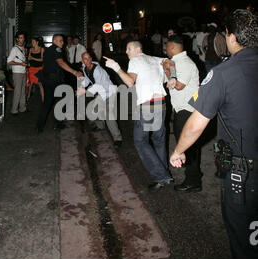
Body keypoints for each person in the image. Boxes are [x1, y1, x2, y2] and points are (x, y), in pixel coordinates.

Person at [170, 9, 258, 259]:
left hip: (245, 174)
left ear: (230, 36)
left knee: (245, 242)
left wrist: (178, 151)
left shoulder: (223, 73)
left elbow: (196, 123)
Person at [104, 41, 176, 190]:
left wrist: (116, 68)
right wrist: (172, 77)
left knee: (140, 141)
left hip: (148, 106)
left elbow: (130, 82)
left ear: (137, 49)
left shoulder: (136, 60)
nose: (126, 52)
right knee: (159, 141)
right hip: (161, 104)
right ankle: (164, 175)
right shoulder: (156, 59)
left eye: (128, 49)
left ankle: (162, 175)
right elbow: (171, 63)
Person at [164, 35, 202, 192]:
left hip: (187, 110)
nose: (165, 49)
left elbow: (178, 86)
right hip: (183, 109)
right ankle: (193, 177)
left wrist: (166, 69)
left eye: (167, 46)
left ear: (172, 47)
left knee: (188, 146)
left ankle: (193, 181)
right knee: (188, 146)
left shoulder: (184, 63)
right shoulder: (177, 62)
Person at [36, 34, 83, 133]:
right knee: (68, 96)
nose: (63, 42)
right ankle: (57, 122)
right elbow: (60, 62)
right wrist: (74, 72)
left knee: (47, 103)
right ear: (55, 41)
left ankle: (39, 127)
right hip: (55, 80)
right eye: (60, 41)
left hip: (47, 79)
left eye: (63, 41)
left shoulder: (48, 49)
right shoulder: (57, 49)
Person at [77, 52, 122, 147]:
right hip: (101, 93)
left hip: (109, 92)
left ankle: (118, 139)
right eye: (85, 59)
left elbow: (98, 86)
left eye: (89, 58)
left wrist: (84, 92)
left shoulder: (97, 70)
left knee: (109, 116)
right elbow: (87, 80)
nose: (88, 60)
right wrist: (81, 87)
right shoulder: (85, 68)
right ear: (82, 61)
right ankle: (100, 126)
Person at [7, 32, 28, 115]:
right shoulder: (14, 49)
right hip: (17, 73)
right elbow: (9, 61)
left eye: (23, 37)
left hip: (23, 71)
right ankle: (14, 110)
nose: (22, 39)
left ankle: (22, 108)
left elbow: (21, 60)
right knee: (17, 92)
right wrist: (20, 64)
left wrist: (25, 64)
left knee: (23, 91)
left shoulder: (22, 48)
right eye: (20, 37)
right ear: (17, 39)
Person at [27, 37, 45, 103]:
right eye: (32, 42)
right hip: (31, 68)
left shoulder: (41, 49)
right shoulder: (31, 49)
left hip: (39, 68)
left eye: (33, 42)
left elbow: (42, 59)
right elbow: (29, 58)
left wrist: (33, 58)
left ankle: (43, 99)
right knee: (30, 84)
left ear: (37, 42)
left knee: (40, 84)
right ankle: (28, 97)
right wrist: (28, 60)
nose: (32, 43)